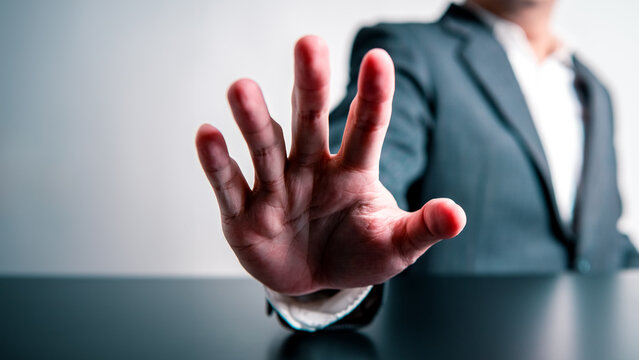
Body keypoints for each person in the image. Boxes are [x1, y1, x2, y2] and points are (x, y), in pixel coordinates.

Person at [195, 0, 639, 331]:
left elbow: (600, 240)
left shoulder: (595, 89)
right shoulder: (409, 50)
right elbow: (364, 178)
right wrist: (326, 269)